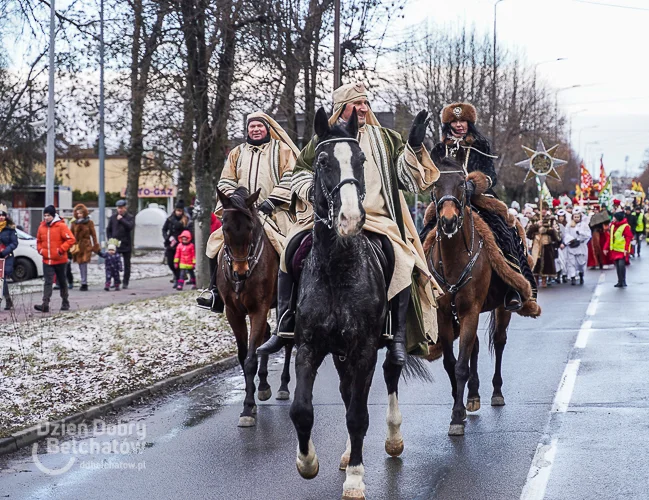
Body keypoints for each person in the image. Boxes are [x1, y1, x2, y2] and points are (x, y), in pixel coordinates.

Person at [258, 81, 442, 365]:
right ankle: (285, 324)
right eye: (357, 104)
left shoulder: (386, 139)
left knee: (404, 261)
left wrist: (414, 147)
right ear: (342, 109)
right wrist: (314, 195)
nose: (363, 109)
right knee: (289, 250)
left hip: (378, 219)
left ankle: (397, 337)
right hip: (326, 217)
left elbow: (407, 180)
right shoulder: (322, 140)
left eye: (366, 103)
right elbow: (299, 174)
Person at [421, 101, 534, 308]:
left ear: (469, 123)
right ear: (448, 125)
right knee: (422, 238)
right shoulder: (438, 150)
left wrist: (476, 184)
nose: (459, 125)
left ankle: (513, 289)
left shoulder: (480, 145)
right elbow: (430, 177)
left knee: (504, 234)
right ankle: (418, 289)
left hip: (479, 201)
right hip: (447, 202)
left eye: (463, 120)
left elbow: (492, 176)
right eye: (454, 121)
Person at [196, 112, 299, 313]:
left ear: (267, 128)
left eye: (259, 126)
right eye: (252, 127)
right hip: (242, 213)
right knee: (214, 243)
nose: (256, 129)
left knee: (289, 248)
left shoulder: (282, 150)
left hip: (275, 212)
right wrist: (234, 202)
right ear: (247, 130)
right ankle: (215, 292)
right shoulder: (236, 153)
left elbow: (291, 176)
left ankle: (295, 294)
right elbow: (226, 180)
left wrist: (272, 200)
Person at [34, 205, 76, 312]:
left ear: (53, 215)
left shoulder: (61, 226)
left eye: (48, 215)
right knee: (48, 282)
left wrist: (61, 250)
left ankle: (65, 302)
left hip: (60, 260)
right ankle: (45, 304)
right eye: (45, 215)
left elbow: (71, 239)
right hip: (47, 260)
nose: (46, 218)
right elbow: (38, 241)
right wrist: (40, 250)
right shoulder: (41, 227)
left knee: (62, 281)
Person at [70, 204, 100, 291]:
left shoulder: (89, 222)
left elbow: (93, 234)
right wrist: (70, 245)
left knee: (84, 262)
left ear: (84, 213)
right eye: (78, 213)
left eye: (81, 213)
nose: (79, 215)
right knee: (80, 263)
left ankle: (84, 283)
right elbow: (70, 234)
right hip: (77, 245)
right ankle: (83, 281)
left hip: (86, 244)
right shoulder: (74, 223)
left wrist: (95, 245)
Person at [162, 200, 192, 288]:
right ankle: (176, 276)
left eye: (180, 211)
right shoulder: (170, 219)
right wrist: (166, 237)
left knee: (179, 263)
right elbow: (164, 229)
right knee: (170, 262)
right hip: (171, 243)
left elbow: (188, 231)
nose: (179, 212)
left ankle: (178, 279)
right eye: (177, 210)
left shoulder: (185, 220)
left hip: (181, 244)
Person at [527, 213, 561, 288]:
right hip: (536, 245)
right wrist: (536, 226)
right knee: (536, 263)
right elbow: (528, 233)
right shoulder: (533, 219)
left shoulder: (551, 219)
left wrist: (546, 230)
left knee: (546, 263)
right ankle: (535, 280)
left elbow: (556, 234)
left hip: (546, 245)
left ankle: (544, 280)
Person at [106, 200, 135, 289]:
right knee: (114, 264)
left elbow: (130, 227)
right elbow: (109, 229)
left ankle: (125, 282)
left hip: (126, 243)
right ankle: (116, 281)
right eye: (118, 208)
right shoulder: (113, 217)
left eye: (121, 208)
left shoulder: (129, 217)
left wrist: (122, 220)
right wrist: (110, 240)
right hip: (115, 244)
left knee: (127, 264)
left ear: (125, 208)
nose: (120, 210)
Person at [604, 208, 633, 288]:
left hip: (622, 249)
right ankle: (619, 281)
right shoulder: (613, 225)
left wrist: (626, 249)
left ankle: (623, 280)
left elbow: (628, 238)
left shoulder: (625, 226)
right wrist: (606, 247)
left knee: (621, 265)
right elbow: (610, 238)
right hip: (615, 249)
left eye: (614, 217)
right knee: (617, 265)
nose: (613, 218)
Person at [562, 208, 591, 285]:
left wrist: (580, 234)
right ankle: (573, 277)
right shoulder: (569, 225)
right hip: (572, 246)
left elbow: (588, 235)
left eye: (578, 217)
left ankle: (581, 274)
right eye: (575, 217)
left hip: (581, 247)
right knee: (571, 263)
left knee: (581, 263)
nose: (576, 218)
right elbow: (566, 234)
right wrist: (571, 240)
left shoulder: (584, 225)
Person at [0, 206, 18, 310]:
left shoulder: (10, 229)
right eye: (0, 215)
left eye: (3, 215)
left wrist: (5, 251)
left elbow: (14, 243)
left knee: (2, 279)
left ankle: (7, 300)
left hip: (6, 257)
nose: (1, 217)